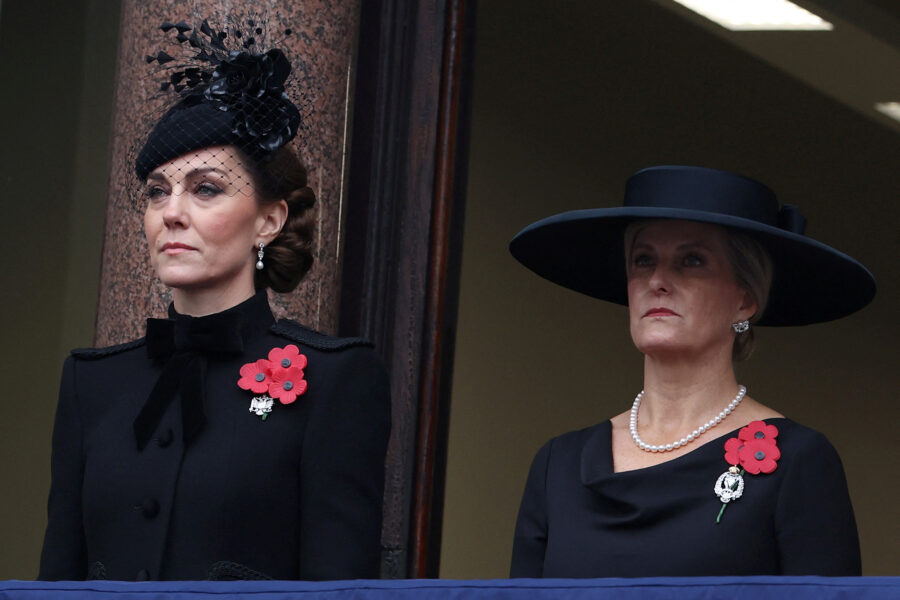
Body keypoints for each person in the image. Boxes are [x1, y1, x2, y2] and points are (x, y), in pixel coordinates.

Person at [38, 20, 390, 581]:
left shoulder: (336, 380)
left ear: (269, 221)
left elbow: (339, 587)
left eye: (206, 188)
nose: (172, 213)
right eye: (158, 192)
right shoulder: (91, 384)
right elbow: (57, 578)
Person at [507, 165, 875, 577]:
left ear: (745, 300)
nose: (658, 280)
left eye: (692, 260)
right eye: (643, 260)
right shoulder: (558, 465)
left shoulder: (798, 460)